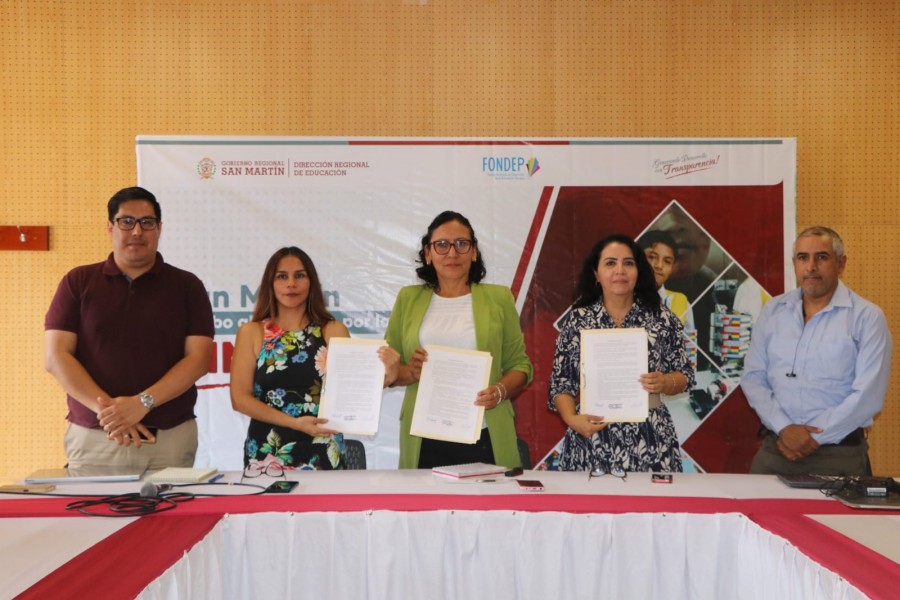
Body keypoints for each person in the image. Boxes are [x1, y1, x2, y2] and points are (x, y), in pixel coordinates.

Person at [44, 186, 214, 470]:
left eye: (147, 222)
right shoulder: (78, 281)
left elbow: (198, 360)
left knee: (170, 516)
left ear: (159, 228)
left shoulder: (187, 286)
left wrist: (142, 403)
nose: (137, 231)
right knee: (91, 516)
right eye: (126, 221)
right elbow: (56, 357)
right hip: (96, 438)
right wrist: (111, 413)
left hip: (169, 440)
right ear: (110, 227)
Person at [385, 211, 533, 469]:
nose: (452, 253)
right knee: (427, 508)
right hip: (424, 434)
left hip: (486, 430)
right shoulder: (408, 299)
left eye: (461, 244)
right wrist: (411, 371)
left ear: (474, 252)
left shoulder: (499, 298)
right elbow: (391, 370)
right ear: (428, 254)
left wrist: (499, 392)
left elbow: (521, 366)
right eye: (441, 245)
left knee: (490, 508)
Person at [230, 247, 399, 470]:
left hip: (322, 448)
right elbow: (239, 399)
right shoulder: (251, 332)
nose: (291, 283)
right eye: (282, 276)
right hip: (267, 451)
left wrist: (389, 377)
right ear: (270, 284)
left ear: (312, 282)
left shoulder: (333, 330)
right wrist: (295, 423)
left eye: (299, 275)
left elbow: (352, 392)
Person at [741, 226, 892, 475]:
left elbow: (868, 396)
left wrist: (812, 437)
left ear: (841, 263)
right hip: (777, 449)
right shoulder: (773, 311)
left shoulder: (866, 317)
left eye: (821, 257)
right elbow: (753, 378)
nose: (811, 267)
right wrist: (785, 428)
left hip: (838, 455)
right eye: (803, 258)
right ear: (795, 264)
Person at [548, 234, 695, 472]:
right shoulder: (578, 320)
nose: (620, 270)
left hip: (651, 439)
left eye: (628, 263)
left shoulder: (662, 317)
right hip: (591, 438)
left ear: (638, 271)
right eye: (610, 263)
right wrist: (572, 419)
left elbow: (685, 375)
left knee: (653, 508)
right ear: (596, 274)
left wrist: (666, 381)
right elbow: (561, 385)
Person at [639, 230, 695, 331]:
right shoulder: (621, 299)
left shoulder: (681, 302)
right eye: (652, 257)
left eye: (667, 261)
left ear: (672, 267)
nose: (659, 266)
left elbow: (689, 344)